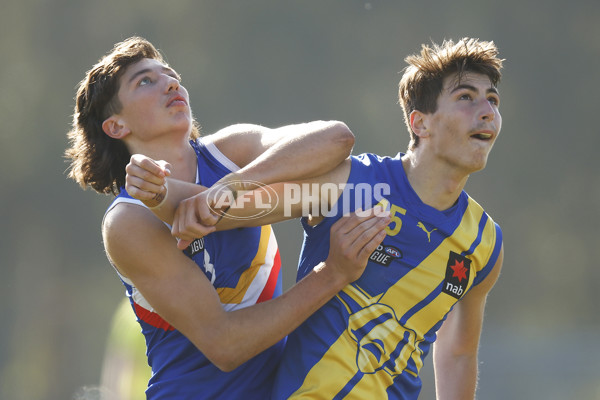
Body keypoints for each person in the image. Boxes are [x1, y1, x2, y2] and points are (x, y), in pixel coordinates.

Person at [127, 37, 505, 399]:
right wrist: (159, 192)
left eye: (492, 100)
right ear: (419, 123)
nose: (487, 111)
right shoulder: (352, 184)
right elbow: (234, 210)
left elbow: (457, 352)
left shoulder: (484, 242)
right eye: (466, 98)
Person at [65, 36, 389, 399]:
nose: (171, 83)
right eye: (145, 81)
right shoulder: (128, 222)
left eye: (170, 74)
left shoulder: (232, 152)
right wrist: (332, 275)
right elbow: (226, 345)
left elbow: (337, 140)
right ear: (116, 127)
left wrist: (229, 188)